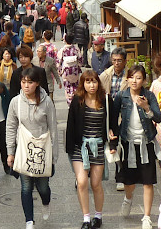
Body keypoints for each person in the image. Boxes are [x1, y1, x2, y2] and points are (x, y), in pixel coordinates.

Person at [111, 64, 161, 229]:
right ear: (127, 78)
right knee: (129, 182)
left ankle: (146, 217)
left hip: (146, 143)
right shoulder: (121, 96)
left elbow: (159, 118)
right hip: (127, 144)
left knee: (148, 182)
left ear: (144, 80)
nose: (134, 81)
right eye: (132, 77)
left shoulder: (149, 95)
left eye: (138, 77)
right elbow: (113, 119)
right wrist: (112, 139)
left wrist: (146, 107)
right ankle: (128, 198)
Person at [6, 67, 59, 229]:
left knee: (43, 187)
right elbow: (10, 126)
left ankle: (46, 202)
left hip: (43, 149)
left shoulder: (46, 102)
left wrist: (53, 156)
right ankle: (29, 220)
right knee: (26, 186)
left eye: (30, 82)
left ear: (37, 83)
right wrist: (10, 152)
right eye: (23, 82)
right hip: (23, 149)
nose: (26, 86)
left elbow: (53, 129)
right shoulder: (15, 102)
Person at [66, 70, 114, 229]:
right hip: (80, 146)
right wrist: (70, 149)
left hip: (98, 146)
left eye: (94, 81)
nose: (91, 85)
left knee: (96, 184)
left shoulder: (106, 100)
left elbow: (113, 124)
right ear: (83, 84)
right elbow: (70, 125)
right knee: (81, 182)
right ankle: (86, 218)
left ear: (98, 83)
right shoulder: (77, 101)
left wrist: (113, 143)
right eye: (88, 82)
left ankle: (98, 216)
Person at [100, 47, 129, 191]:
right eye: (114, 60)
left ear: (125, 61)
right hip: (107, 113)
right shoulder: (105, 75)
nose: (116, 63)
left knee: (121, 144)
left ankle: (120, 177)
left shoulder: (130, 76)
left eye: (119, 60)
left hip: (124, 113)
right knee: (104, 143)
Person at [58, 33, 83, 105]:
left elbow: (58, 61)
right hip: (74, 71)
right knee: (75, 86)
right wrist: (78, 66)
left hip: (66, 71)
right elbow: (80, 60)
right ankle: (75, 101)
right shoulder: (76, 49)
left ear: (65, 40)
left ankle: (70, 103)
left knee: (67, 88)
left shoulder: (63, 50)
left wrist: (60, 71)